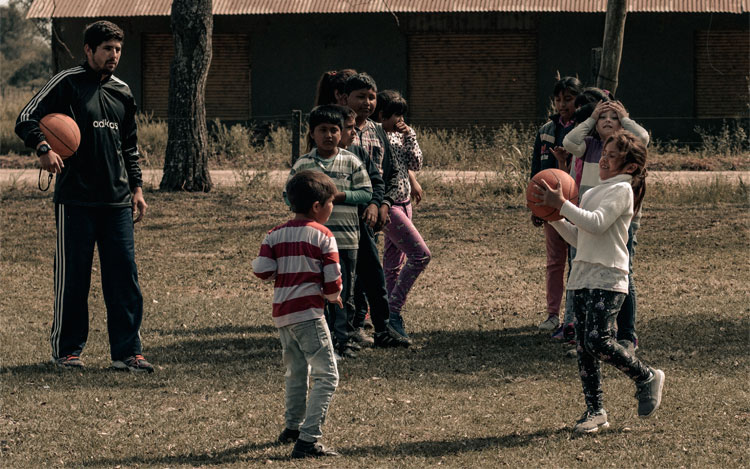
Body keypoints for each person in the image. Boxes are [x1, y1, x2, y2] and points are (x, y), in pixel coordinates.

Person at [15, 20, 153, 372]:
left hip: (117, 200)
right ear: (89, 50)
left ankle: (128, 352)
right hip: (75, 200)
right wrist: (43, 146)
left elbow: (130, 146)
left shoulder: (123, 92)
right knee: (74, 277)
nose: (113, 56)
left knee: (124, 279)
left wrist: (136, 188)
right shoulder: (67, 81)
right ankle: (67, 351)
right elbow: (26, 117)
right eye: (106, 49)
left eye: (118, 49)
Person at [536, 129, 664, 433]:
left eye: (611, 155)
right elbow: (579, 237)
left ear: (630, 166)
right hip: (581, 277)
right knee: (584, 346)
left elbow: (596, 224)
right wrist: (553, 216)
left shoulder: (622, 191)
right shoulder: (592, 191)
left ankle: (646, 376)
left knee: (598, 340)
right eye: (603, 154)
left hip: (609, 276)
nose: (603, 159)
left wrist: (563, 206)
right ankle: (595, 412)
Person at [253, 170, 342, 459]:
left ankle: (292, 427)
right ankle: (308, 439)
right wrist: (333, 296)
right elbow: (332, 277)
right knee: (327, 375)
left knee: (296, 371)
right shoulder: (324, 235)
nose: (332, 208)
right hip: (309, 315)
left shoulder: (274, 234)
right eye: (331, 203)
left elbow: (262, 270)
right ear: (317, 206)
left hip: (283, 315)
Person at [563, 93, 650, 353]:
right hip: (585, 218)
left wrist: (625, 118)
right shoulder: (588, 145)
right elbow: (569, 141)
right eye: (603, 116)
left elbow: (643, 138)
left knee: (622, 275)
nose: (609, 120)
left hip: (614, 221)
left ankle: (626, 336)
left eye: (614, 117)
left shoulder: (628, 152)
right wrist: (591, 118)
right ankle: (587, 336)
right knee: (582, 269)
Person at [284, 105, 372, 359]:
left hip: (345, 241)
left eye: (334, 130)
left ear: (342, 132)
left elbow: (366, 192)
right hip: (311, 242)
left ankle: (343, 340)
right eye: (322, 130)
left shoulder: (351, 161)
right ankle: (319, 342)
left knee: (342, 292)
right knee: (314, 292)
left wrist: (338, 196)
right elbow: (287, 196)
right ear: (312, 133)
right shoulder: (304, 164)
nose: (329, 135)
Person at [340, 72, 412, 345]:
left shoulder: (378, 131)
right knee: (348, 272)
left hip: (374, 213)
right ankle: (351, 325)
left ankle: (379, 326)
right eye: (360, 97)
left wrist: (383, 204)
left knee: (371, 272)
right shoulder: (337, 130)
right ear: (345, 98)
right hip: (344, 213)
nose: (367, 102)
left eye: (371, 97)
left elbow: (391, 173)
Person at [372, 90, 431, 341]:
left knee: (393, 265)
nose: (399, 120)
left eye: (401, 115)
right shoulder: (374, 137)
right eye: (394, 115)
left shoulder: (400, 136)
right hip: (390, 205)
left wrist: (410, 136)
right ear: (382, 114)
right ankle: (393, 312)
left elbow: (414, 164)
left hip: (405, 203)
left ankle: (384, 320)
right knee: (421, 255)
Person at [529, 76, 582, 335]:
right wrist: (535, 207)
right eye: (558, 99)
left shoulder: (584, 130)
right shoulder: (546, 131)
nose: (562, 104)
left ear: (578, 100)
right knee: (554, 261)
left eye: (569, 99)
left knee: (577, 259)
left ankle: (574, 316)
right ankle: (553, 313)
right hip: (550, 206)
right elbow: (535, 172)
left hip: (577, 205)